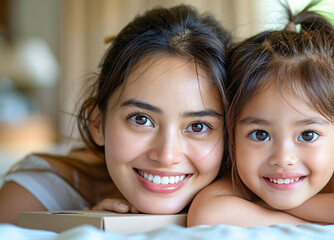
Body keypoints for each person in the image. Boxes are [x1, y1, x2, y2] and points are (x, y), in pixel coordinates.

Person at [187, 0, 334, 227]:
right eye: (260, 134)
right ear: (231, 136)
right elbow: (207, 213)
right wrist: (306, 225)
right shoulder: (247, 178)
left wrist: (285, 209)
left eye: (308, 135)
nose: (283, 158)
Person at [0, 4, 231, 225]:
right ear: (97, 124)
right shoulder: (34, 195)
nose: (166, 156)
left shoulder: (255, 185)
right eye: (141, 119)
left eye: (198, 126)